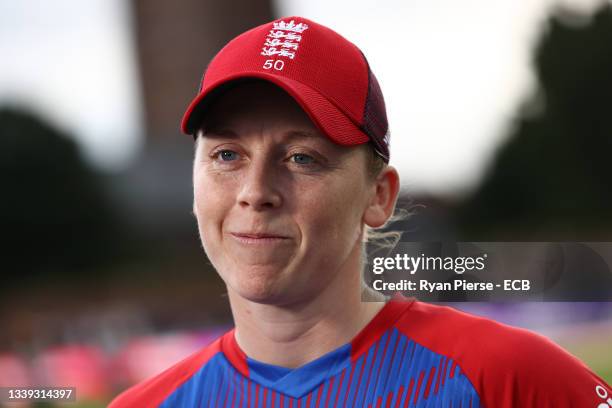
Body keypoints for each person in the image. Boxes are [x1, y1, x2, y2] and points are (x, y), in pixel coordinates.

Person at [110, 16, 611, 407]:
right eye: (227, 156)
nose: (255, 191)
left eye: (301, 157)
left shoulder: (511, 380)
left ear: (379, 196)